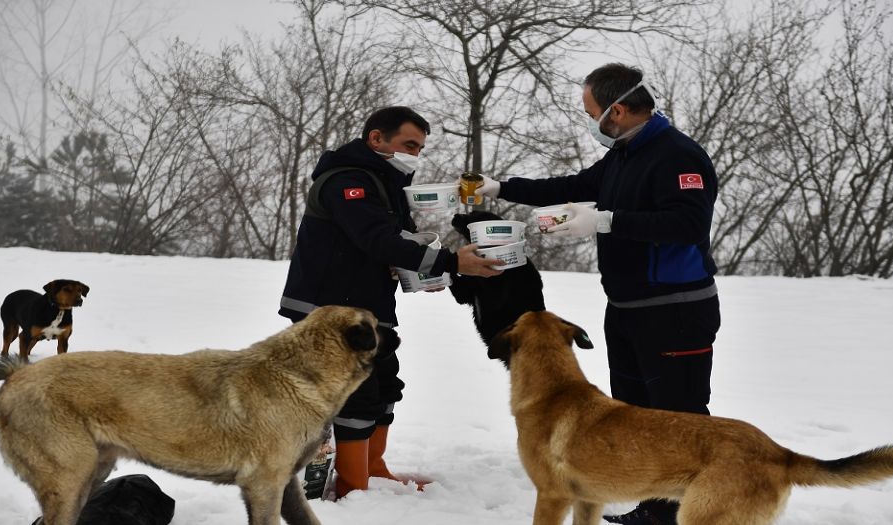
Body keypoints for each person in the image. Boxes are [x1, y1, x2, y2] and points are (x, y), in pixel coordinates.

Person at [474, 64, 721, 525]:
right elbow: (573, 187)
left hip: (675, 309)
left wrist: (606, 221)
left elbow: (688, 224)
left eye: (591, 113)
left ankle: (682, 514)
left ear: (618, 110)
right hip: (626, 308)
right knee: (633, 420)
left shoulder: (678, 156)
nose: (590, 123)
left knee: (678, 418)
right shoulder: (624, 154)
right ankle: (652, 508)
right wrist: (502, 188)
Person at [279, 106, 503, 498]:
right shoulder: (346, 180)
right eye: (408, 144)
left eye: (419, 148)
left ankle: (373, 469)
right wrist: (452, 261)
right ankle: (353, 485)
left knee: (384, 386)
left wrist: (429, 273)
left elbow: (395, 241)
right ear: (376, 139)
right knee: (356, 396)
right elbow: (376, 239)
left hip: (367, 307)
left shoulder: (385, 181)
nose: (415, 154)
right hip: (329, 311)